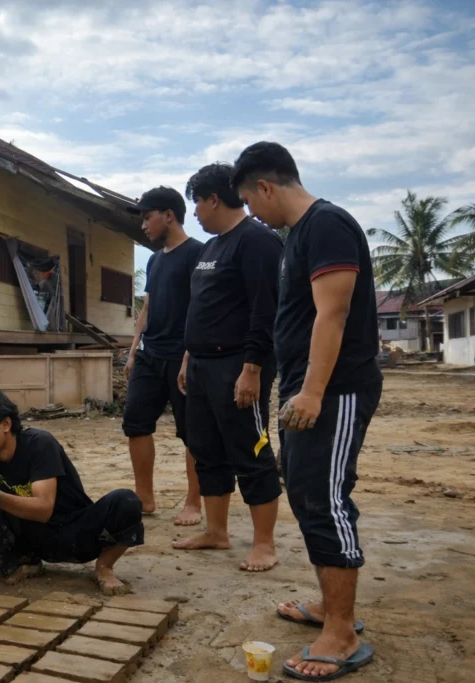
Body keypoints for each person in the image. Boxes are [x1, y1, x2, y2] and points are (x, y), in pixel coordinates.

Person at [233, 142, 381, 681]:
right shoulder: (299, 237)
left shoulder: (327, 225)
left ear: (266, 188)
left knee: (324, 499)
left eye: (251, 203)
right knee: (305, 491)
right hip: (306, 388)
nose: (254, 214)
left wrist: (315, 392)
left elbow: (333, 313)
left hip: (335, 391)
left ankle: (340, 631)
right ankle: (328, 608)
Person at [172, 162, 283, 573]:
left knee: (250, 451)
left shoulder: (256, 241)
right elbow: (201, 310)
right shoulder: (212, 247)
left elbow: (265, 310)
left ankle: (265, 545)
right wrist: (188, 358)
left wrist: (252, 368)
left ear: (213, 199)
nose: (196, 214)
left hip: (238, 364)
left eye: (197, 204)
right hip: (201, 365)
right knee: (207, 450)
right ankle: (217, 534)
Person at [0, 388, 143, 595]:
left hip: (75, 533)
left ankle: (104, 567)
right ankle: (24, 562)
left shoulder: (39, 444)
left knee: (126, 501)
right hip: (34, 541)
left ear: (6, 424)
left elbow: (44, 508)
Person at [124, 186, 205, 526]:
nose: (144, 225)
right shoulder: (155, 260)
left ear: (168, 216)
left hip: (182, 356)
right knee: (135, 422)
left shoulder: (199, 254)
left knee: (192, 432)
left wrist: (189, 355)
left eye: (148, 217)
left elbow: (201, 310)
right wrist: (133, 351)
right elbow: (149, 308)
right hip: (150, 354)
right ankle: (145, 497)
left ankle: (194, 502)